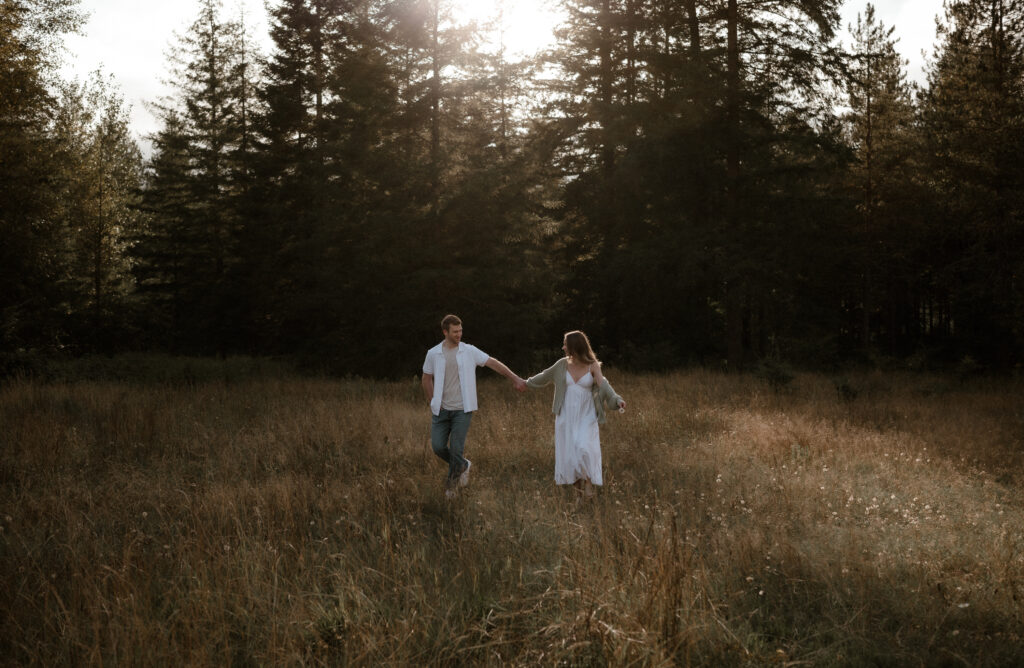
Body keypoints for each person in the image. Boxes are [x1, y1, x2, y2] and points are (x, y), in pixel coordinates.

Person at [422, 314, 526, 498]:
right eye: (455, 332)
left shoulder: (469, 351)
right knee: (438, 447)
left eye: (460, 331)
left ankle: (451, 488)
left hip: (463, 409)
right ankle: (463, 465)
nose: (459, 334)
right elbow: (426, 378)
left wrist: (515, 378)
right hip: (441, 410)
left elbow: (493, 363)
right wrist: (433, 401)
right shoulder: (433, 353)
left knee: (455, 449)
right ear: (445, 332)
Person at [525, 330, 625, 499]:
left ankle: (588, 483)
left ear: (574, 346)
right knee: (570, 454)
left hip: (587, 414)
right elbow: (544, 376)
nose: (563, 347)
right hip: (566, 415)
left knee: (583, 447)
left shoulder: (592, 365)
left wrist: (617, 399)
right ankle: (579, 496)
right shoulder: (562, 364)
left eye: (565, 344)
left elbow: (603, 385)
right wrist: (525, 383)